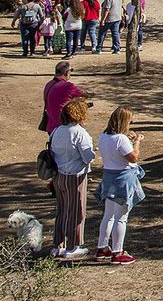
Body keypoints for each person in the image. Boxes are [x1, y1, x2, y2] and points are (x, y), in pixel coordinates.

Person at [96, 106, 144, 265]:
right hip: (122, 179)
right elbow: (133, 158)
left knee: (108, 214)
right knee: (121, 217)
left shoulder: (104, 136)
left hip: (108, 176)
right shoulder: (120, 139)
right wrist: (136, 142)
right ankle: (118, 251)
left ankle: (102, 247)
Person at [49, 97, 95, 259]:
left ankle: (57, 245)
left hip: (59, 175)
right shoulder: (79, 132)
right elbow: (88, 157)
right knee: (76, 211)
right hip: (75, 176)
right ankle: (72, 246)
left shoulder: (57, 130)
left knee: (61, 210)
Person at [42, 61, 84, 133]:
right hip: (64, 126)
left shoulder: (48, 84)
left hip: (51, 127)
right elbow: (84, 95)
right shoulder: (68, 86)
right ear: (66, 72)